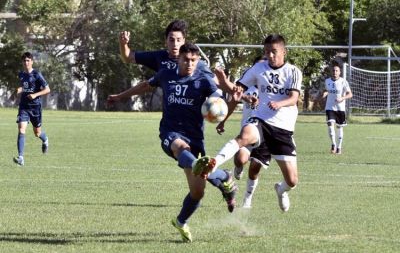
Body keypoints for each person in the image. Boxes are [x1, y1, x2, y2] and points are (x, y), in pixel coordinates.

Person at [107, 43, 237, 242]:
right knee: (180, 148)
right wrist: (120, 96)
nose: (190, 64)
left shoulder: (204, 80)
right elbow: (145, 85)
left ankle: (182, 220)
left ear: (198, 61)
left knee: (198, 192)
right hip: (170, 132)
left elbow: (219, 101)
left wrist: (228, 98)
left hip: (195, 138)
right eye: (186, 60)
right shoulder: (166, 74)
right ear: (179, 59)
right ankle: (202, 167)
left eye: (194, 60)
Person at [193, 34, 303, 213]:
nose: (270, 55)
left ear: (284, 51)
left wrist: (279, 103)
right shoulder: (259, 68)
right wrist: (226, 84)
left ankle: (281, 190)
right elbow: (238, 89)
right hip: (261, 120)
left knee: (292, 181)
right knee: (244, 137)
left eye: (274, 51)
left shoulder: (293, 71)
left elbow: (294, 98)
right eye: (267, 52)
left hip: (283, 129)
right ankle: (215, 162)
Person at [216, 57, 271, 209]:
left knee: (254, 168)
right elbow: (233, 101)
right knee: (240, 159)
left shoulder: (271, 88)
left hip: (267, 134)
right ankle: (238, 169)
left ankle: (248, 198)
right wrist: (223, 121)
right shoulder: (245, 87)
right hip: (248, 131)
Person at [13, 52, 50, 166]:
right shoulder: (21, 74)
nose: (26, 62)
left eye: (28, 60)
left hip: (35, 108)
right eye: (24, 61)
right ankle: (21, 157)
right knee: (21, 129)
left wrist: (35, 95)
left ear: (32, 61)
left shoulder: (37, 74)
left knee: (37, 133)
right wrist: (19, 90)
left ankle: (45, 139)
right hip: (24, 106)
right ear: (22, 62)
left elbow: (47, 89)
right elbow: (24, 86)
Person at [322, 63, 353, 154]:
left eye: (336, 71)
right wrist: (325, 93)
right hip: (330, 107)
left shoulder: (343, 81)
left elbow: (350, 94)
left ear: (339, 72)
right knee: (330, 125)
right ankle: (333, 144)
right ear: (331, 72)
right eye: (333, 70)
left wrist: (342, 98)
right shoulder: (327, 81)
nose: (335, 72)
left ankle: (339, 147)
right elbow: (326, 90)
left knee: (339, 127)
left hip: (340, 108)